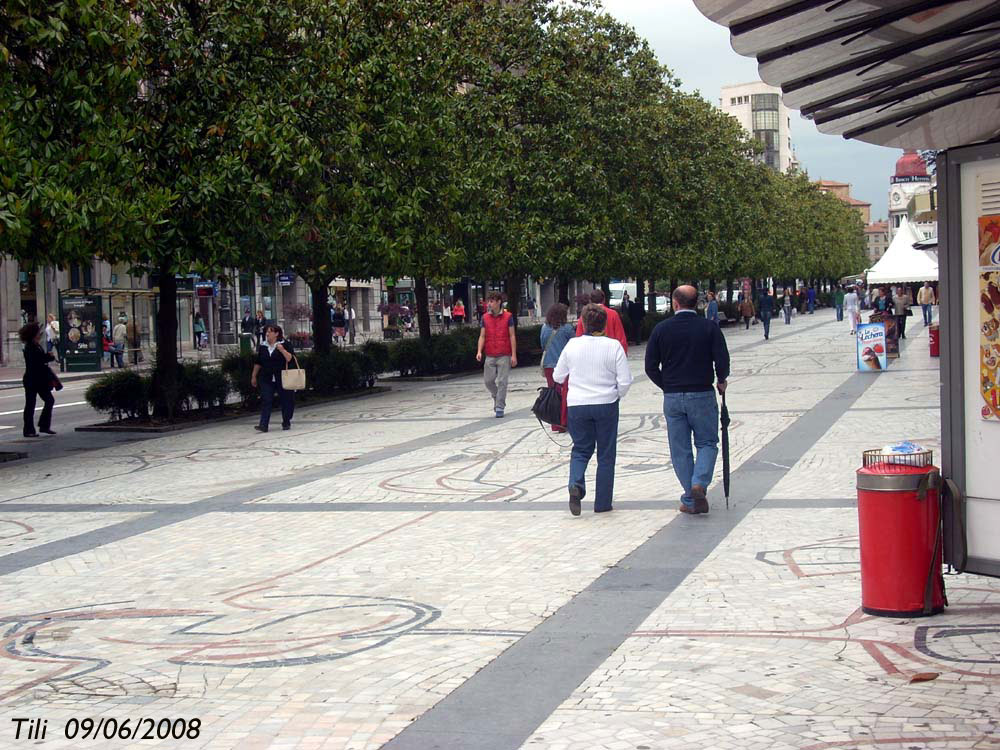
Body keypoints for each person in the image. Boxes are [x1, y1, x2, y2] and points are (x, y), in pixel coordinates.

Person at [644, 285, 730, 515]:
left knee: (680, 449)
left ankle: (690, 498)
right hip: (701, 392)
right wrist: (721, 379)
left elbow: (650, 366)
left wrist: (667, 385)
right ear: (697, 303)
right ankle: (698, 484)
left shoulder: (661, 329)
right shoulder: (708, 327)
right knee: (707, 443)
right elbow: (722, 359)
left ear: (675, 303)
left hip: (673, 396)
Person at [553, 304, 633, 515]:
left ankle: (576, 483)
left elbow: (557, 377)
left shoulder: (572, 345)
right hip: (606, 403)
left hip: (578, 405)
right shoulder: (613, 346)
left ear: (583, 323)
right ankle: (603, 503)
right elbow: (625, 381)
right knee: (606, 454)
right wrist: (616, 394)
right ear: (605, 323)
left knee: (580, 449)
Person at [476, 292, 517, 418]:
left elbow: (512, 336)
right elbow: (482, 335)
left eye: (492, 301)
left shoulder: (508, 316)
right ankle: (497, 396)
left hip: (504, 353)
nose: (490, 304)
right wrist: (479, 351)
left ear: (499, 302)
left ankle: (500, 406)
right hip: (490, 353)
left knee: (502, 381)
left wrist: (514, 355)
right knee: (488, 381)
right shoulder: (485, 318)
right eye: (489, 301)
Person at [251, 324, 295, 432]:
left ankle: (286, 421)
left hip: (282, 377)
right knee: (266, 399)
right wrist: (254, 376)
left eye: (270, 332)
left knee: (286, 400)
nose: (267, 334)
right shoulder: (263, 346)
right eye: (266, 332)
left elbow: (290, 358)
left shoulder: (285, 344)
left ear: (276, 333)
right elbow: (258, 362)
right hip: (266, 378)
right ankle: (263, 425)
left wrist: (282, 350)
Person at [540, 303, 575, 433]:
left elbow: (543, 344)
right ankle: (564, 421)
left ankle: (555, 423)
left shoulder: (544, 328)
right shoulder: (567, 329)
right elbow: (574, 344)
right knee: (564, 393)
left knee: (553, 393)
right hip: (564, 366)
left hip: (548, 365)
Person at [20, 322, 58, 437]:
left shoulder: (36, 345)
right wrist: (49, 357)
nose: (40, 334)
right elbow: (37, 361)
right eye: (38, 333)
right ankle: (29, 429)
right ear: (33, 334)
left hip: (38, 379)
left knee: (48, 400)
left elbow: (40, 359)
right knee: (31, 404)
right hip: (33, 379)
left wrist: (47, 357)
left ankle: (44, 425)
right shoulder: (30, 347)